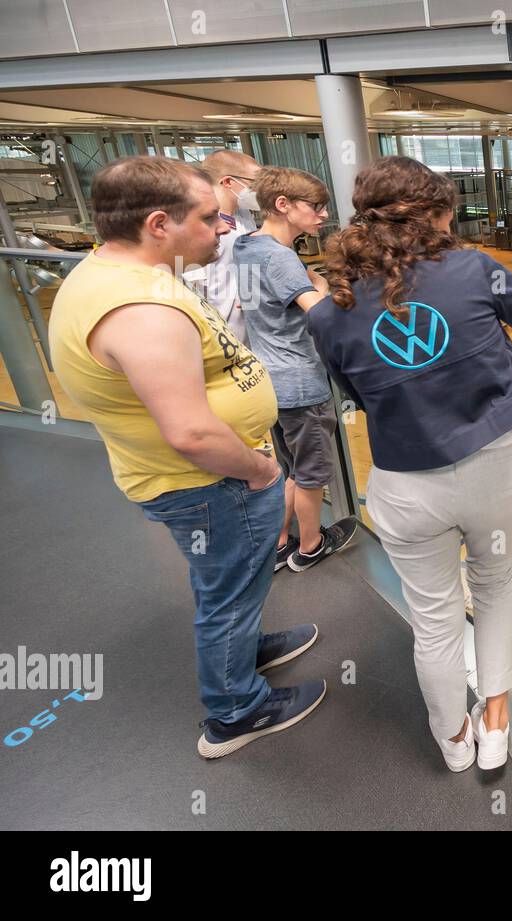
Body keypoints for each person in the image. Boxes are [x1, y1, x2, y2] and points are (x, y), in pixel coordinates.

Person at [310, 156, 512, 772]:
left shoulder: (330, 309)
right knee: (492, 589)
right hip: (491, 469)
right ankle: (496, 720)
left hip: (404, 485)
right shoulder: (472, 271)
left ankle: (451, 739)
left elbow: (354, 392)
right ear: (433, 216)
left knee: (433, 622)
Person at [48, 155, 326, 759]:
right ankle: (236, 711)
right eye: (208, 218)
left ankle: (246, 649)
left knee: (230, 585)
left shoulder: (115, 276)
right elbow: (191, 433)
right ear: (157, 224)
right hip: (208, 482)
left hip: (195, 481)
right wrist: (263, 470)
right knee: (226, 594)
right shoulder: (141, 310)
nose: (224, 228)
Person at [230, 166, 359, 573]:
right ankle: (310, 546)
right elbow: (320, 315)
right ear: (283, 206)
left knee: (291, 469)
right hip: (301, 383)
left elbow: (260, 301)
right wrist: (322, 289)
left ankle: (279, 541)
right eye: (315, 207)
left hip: (269, 379)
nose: (323, 215)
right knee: (312, 475)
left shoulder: (246, 246)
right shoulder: (280, 257)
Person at [180, 148, 263, 342]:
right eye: (256, 183)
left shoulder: (243, 216)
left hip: (251, 326)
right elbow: (193, 287)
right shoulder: (198, 227)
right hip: (221, 330)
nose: (262, 190)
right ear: (227, 182)